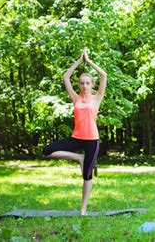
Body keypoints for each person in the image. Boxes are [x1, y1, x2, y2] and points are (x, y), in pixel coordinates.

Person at [42, 47, 107, 215]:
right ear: (78, 85)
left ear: (92, 85)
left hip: (92, 140)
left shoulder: (97, 98)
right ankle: (78, 157)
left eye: (87, 82)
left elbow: (104, 76)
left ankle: (83, 208)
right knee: (47, 150)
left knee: (87, 175)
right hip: (76, 137)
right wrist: (79, 60)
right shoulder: (75, 97)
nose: (84, 85)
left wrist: (89, 61)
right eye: (82, 82)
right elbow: (65, 77)